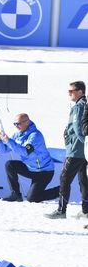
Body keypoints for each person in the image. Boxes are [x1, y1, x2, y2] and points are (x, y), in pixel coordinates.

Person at [46, 81, 88, 219]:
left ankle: (61, 210)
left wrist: (83, 143)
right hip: (82, 151)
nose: (69, 94)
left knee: (64, 178)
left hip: (76, 150)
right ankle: (86, 210)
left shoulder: (78, 107)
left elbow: (77, 128)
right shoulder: (83, 105)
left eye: (72, 91)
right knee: (83, 180)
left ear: (80, 91)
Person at [0, 113, 58, 203]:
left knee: (32, 198)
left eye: (18, 124)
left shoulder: (35, 136)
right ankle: (16, 194)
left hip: (44, 172)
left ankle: (60, 190)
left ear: (27, 122)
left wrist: (8, 141)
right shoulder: (18, 135)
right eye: (15, 124)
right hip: (30, 168)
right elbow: (4, 150)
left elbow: (25, 152)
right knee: (10, 165)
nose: (16, 126)